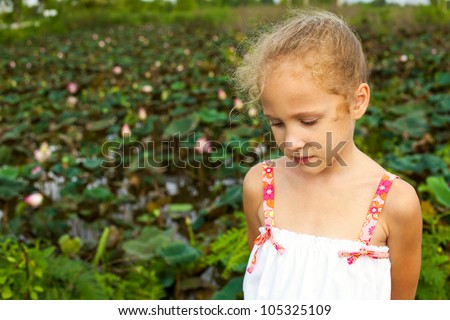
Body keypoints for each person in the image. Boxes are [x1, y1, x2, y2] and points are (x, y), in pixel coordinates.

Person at [234, 9, 422, 300]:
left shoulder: (394, 203)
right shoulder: (260, 185)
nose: (292, 142)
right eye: (277, 123)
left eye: (308, 121)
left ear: (357, 102)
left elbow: (401, 306)